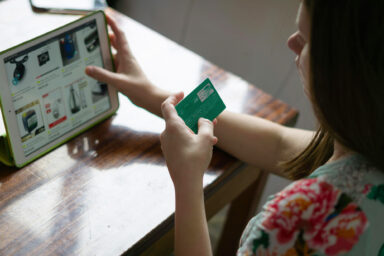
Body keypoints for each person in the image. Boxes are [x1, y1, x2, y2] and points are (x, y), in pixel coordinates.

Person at [85, 1, 384, 255]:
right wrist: (153, 95)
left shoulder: (306, 220)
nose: (291, 42)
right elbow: (279, 143)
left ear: (347, 72)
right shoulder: (367, 148)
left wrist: (188, 180)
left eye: (306, 40)